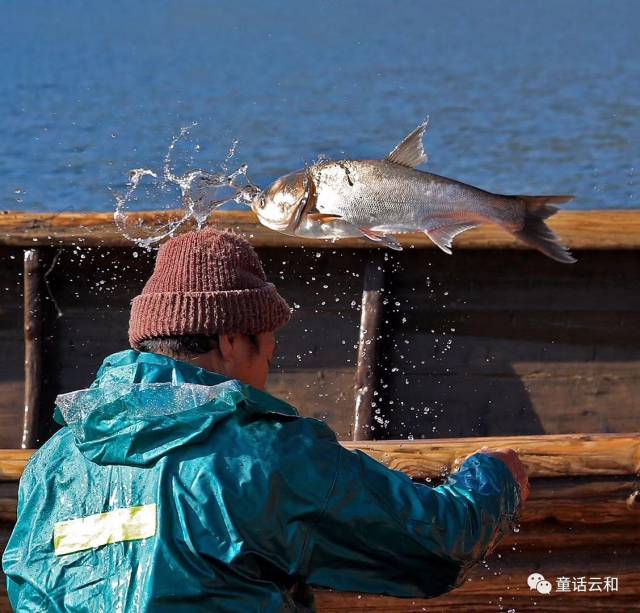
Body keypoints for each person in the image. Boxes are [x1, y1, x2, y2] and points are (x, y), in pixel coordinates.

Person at [3, 228, 529, 612]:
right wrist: (495, 479)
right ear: (231, 340)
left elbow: (28, 584)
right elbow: (436, 540)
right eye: (269, 355)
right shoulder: (266, 455)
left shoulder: (53, 462)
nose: (267, 374)